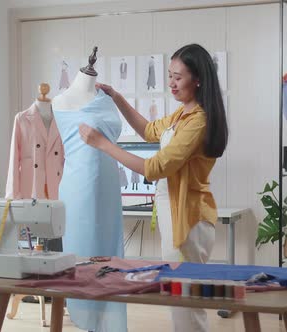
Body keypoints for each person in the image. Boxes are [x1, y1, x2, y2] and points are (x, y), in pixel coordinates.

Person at [79, 43, 228, 332]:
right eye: (169, 75)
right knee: (180, 300)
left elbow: (154, 168)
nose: (171, 83)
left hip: (188, 221)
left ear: (198, 79)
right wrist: (118, 97)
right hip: (177, 217)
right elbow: (149, 131)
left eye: (178, 77)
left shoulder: (198, 121)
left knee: (186, 302)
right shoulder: (181, 114)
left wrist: (103, 144)